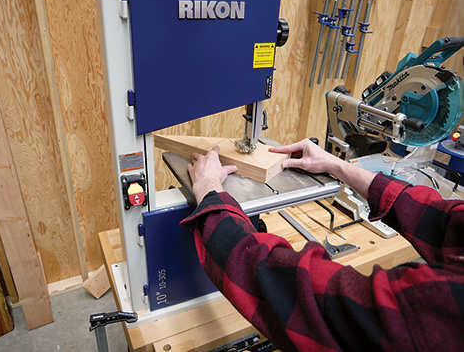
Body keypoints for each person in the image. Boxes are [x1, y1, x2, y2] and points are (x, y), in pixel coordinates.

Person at [180, 139, 464, 352]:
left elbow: (295, 293)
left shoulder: (440, 308)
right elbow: (439, 218)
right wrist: (338, 166)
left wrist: (211, 196)